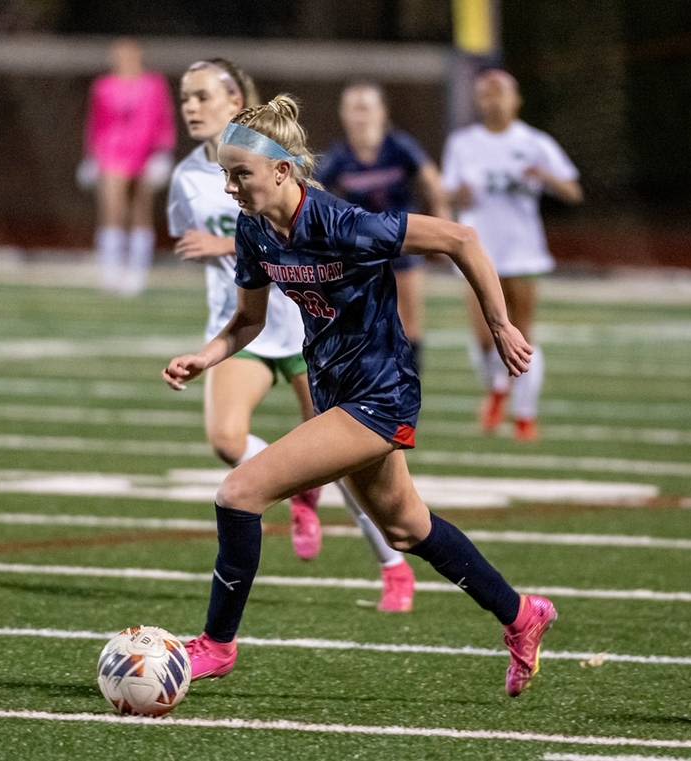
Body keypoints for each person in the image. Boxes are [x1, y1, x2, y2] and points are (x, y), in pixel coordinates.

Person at [162, 94, 557, 697]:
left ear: (282, 171)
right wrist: (206, 357)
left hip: (379, 395)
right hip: (336, 390)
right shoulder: (254, 230)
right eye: (225, 174)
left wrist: (500, 324)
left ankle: (216, 645)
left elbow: (460, 238)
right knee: (405, 527)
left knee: (239, 492)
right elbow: (248, 321)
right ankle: (522, 615)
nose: (232, 187)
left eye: (241, 174)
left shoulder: (343, 224)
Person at [167, 59, 416, 613]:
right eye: (185, 97)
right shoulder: (185, 178)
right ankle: (295, 486)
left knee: (347, 462)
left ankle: (393, 567)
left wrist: (223, 246)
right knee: (227, 440)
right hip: (243, 328)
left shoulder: (271, 162)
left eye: (202, 96)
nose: (190, 107)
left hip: (309, 328)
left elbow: (293, 234)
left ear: (236, 101)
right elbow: (243, 254)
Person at [441, 69, 583, 441]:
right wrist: (459, 199)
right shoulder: (463, 143)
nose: (492, 100)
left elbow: (572, 191)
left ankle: (524, 416)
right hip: (477, 251)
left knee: (523, 334)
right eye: (485, 94)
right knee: (484, 338)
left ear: (516, 99)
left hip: (523, 251)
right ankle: (497, 391)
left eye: (499, 92)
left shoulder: (535, 142)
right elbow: (446, 191)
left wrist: (546, 177)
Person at [316, 82, 451, 373]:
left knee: (410, 319)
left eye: (366, 107)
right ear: (344, 115)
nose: (360, 116)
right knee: (363, 319)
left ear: (382, 113)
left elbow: (432, 181)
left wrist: (442, 218)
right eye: (354, 108)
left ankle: (409, 385)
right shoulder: (340, 157)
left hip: (403, 241)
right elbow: (314, 195)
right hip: (362, 247)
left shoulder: (399, 146)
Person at [81, 38, 176, 296]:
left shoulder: (154, 84)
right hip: (112, 152)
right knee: (112, 209)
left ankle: (137, 271)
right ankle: (110, 268)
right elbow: (96, 122)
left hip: (144, 152)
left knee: (139, 210)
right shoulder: (103, 86)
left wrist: (163, 152)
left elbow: (162, 118)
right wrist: (91, 156)